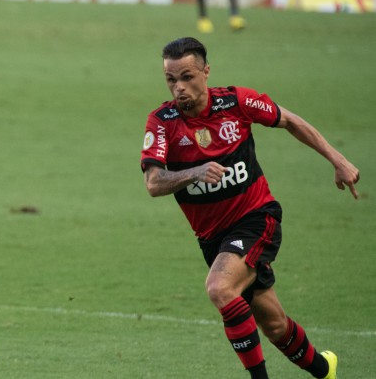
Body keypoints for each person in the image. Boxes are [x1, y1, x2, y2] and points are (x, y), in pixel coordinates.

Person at [141, 37, 360, 379]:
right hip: (213, 239)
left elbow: (290, 120)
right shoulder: (162, 122)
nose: (179, 88)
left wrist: (339, 160)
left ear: (206, 71)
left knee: (219, 288)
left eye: (187, 77)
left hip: (257, 219)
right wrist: (194, 172)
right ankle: (325, 369)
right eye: (171, 80)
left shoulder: (237, 102)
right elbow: (153, 183)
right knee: (274, 325)